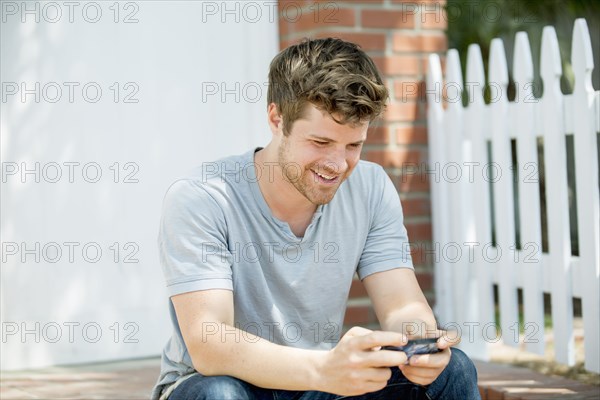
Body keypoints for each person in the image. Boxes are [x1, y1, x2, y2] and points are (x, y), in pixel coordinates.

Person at [152, 37, 480, 400]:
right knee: (220, 394)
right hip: (223, 382)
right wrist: (323, 369)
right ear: (277, 118)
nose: (338, 165)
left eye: (353, 145)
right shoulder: (202, 197)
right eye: (321, 143)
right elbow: (210, 343)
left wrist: (420, 344)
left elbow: (401, 303)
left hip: (318, 384)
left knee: (453, 371)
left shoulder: (370, 187)